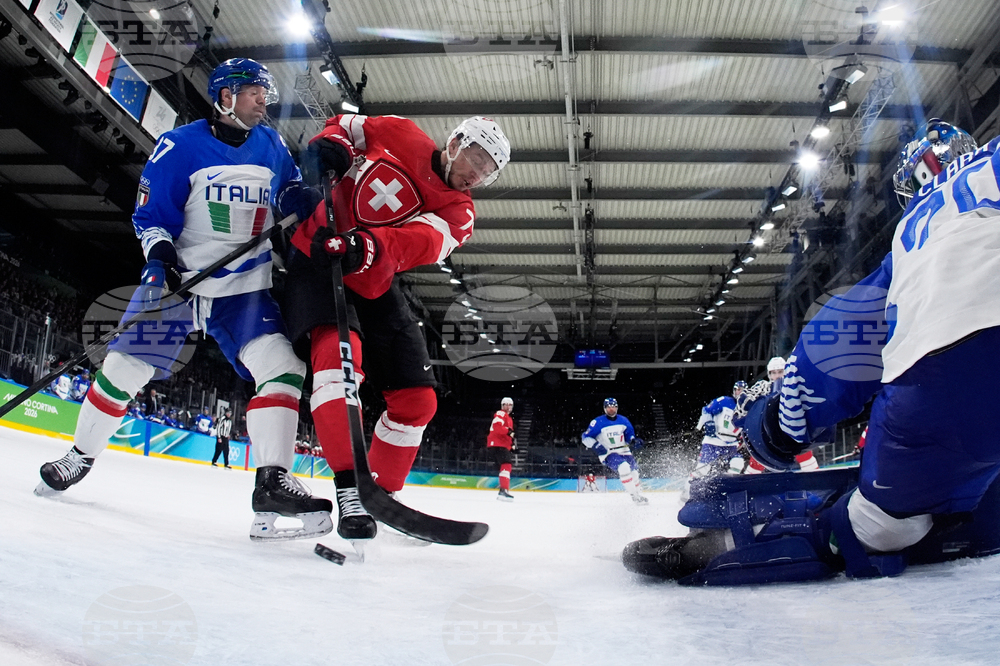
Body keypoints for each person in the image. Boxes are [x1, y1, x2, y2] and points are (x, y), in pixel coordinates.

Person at [623, 119, 1000, 584]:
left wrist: (779, 427)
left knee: (880, 522)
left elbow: (841, 337)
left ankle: (766, 538)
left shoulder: (910, 239)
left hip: (940, 381)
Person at [36, 58, 332, 542]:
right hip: (181, 281)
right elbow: (149, 214)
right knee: (125, 368)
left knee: (283, 368)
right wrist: (161, 257)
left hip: (243, 288)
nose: (264, 99)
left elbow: (290, 189)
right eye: (254, 90)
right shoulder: (180, 146)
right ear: (225, 96)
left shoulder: (272, 144)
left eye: (264, 91)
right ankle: (80, 455)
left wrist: (298, 199)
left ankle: (272, 481)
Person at [282, 114, 510, 541]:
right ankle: (352, 488)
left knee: (418, 402)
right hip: (316, 255)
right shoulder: (398, 130)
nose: (477, 175)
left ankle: (380, 493)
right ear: (456, 142)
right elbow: (343, 127)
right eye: (477, 159)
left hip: (372, 277)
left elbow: (416, 243)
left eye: (488, 171)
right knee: (339, 361)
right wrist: (332, 144)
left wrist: (366, 246)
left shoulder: (460, 212)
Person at [683, 381, 745, 499]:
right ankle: (686, 493)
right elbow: (706, 410)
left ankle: (727, 491)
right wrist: (707, 422)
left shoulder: (747, 408)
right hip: (714, 441)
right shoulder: (724, 401)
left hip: (731, 444)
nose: (739, 392)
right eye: (737, 389)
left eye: (742, 390)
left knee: (738, 463)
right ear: (734, 390)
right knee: (702, 470)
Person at [581, 398, 647, 504]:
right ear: (604, 408)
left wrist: (633, 441)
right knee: (624, 467)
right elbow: (585, 437)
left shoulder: (624, 420)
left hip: (624, 450)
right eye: (609, 407)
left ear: (617, 407)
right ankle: (635, 496)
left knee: (634, 473)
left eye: (613, 406)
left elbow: (629, 435)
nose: (611, 409)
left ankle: (638, 494)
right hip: (608, 453)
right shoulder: (597, 422)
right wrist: (595, 445)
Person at [486, 397, 516, 501]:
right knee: (506, 465)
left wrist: (511, 446)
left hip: (499, 444)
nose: (508, 407)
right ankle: (503, 490)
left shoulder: (508, 418)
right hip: (498, 444)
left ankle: (503, 490)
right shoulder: (501, 414)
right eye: (506, 404)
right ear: (502, 406)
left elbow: (506, 435)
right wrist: (508, 432)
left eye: (510, 405)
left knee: (506, 465)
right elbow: (497, 427)